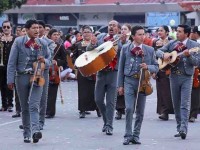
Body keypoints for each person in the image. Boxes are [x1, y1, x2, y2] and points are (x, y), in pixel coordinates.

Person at [7, 19, 51, 143]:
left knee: (34, 105)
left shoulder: (43, 43)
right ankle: (27, 132)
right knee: (24, 107)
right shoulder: (18, 42)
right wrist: (10, 80)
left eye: (38, 28)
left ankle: (36, 131)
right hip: (22, 76)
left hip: (38, 76)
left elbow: (49, 60)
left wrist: (44, 61)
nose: (37, 30)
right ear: (26, 30)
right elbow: (11, 63)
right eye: (34, 28)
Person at [156, 25, 200, 140]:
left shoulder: (195, 46)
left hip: (187, 77)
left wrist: (189, 56)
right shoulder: (172, 43)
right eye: (177, 31)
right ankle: (179, 127)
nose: (177, 34)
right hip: (174, 76)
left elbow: (197, 62)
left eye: (179, 32)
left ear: (186, 34)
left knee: (184, 103)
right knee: (176, 103)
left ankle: (183, 129)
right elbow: (158, 51)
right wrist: (164, 54)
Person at [117, 25, 158, 145]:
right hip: (129, 81)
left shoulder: (149, 50)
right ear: (133, 36)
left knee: (140, 111)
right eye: (139, 34)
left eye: (143, 34)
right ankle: (127, 135)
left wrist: (148, 67)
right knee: (129, 108)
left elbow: (156, 66)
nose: (142, 36)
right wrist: (120, 85)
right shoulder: (125, 48)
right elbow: (120, 68)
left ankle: (136, 135)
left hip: (143, 83)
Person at [87, 20, 126, 135]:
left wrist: (123, 43)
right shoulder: (101, 37)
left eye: (114, 25)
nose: (111, 27)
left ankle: (109, 125)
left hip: (114, 73)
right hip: (101, 72)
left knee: (110, 102)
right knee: (98, 100)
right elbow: (89, 51)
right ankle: (106, 120)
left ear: (118, 29)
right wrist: (92, 44)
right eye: (110, 25)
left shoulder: (121, 39)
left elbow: (124, 52)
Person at [72, 26, 100, 118]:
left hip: (93, 70)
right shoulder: (78, 44)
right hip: (82, 70)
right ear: (82, 34)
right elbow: (73, 56)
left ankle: (98, 109)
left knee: (95, 91)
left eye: (88, 32)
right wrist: (76, 63)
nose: (86, 34)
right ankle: (82, 110)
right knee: (82, 91)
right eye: (84, 32)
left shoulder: (96, 44)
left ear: (92, 33)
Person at [152, 25, 174, 120]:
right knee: (161, 91)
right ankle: (164, 112)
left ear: (167, 32)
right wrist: (153, 71)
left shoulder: (172, 42)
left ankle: (171, 110)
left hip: (170, 69)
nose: (159, 32)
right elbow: (153, 57)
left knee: (169, 92)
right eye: (158, 31)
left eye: (161, 30)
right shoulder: (155, 42)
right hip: (159, 69)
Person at [45, 29, 67, 118]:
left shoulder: (60, 46)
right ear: (50, 36)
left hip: (54, 71)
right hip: (45, 69)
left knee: (52, 92)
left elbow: (64, 60)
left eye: (58, 35)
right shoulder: (45, 44)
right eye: (54, 34)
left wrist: (57, 61)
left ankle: (50, 112)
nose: (56, 36)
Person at [115, 23, 132, 120]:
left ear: (129, 31)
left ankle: (129, 109)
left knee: (129, 90)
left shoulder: (131, 42)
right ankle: (119, 110)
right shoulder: (117, 41)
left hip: (130, 68)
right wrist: (120, 42)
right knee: (119, 89)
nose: (123, 31)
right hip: (120, 68)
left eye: (125, 29)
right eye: (122, 29)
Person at [0, 20, 15, 112]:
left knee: (9, 84)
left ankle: (10, 103)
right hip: (1, 66)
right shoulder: (0, 38)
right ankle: (3, 104)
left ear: (11, 28)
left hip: (11, 65)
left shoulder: (15, 39)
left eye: (8, 27)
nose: (6, 29)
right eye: (4, 27)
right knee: (2, 85)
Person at [189, 26, 200, 122]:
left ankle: (193, 113)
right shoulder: (192, 43)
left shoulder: (197, 44)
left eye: (192, 32)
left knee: (195, 92)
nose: (191, 34)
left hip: (197, 69)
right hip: (192, 68)